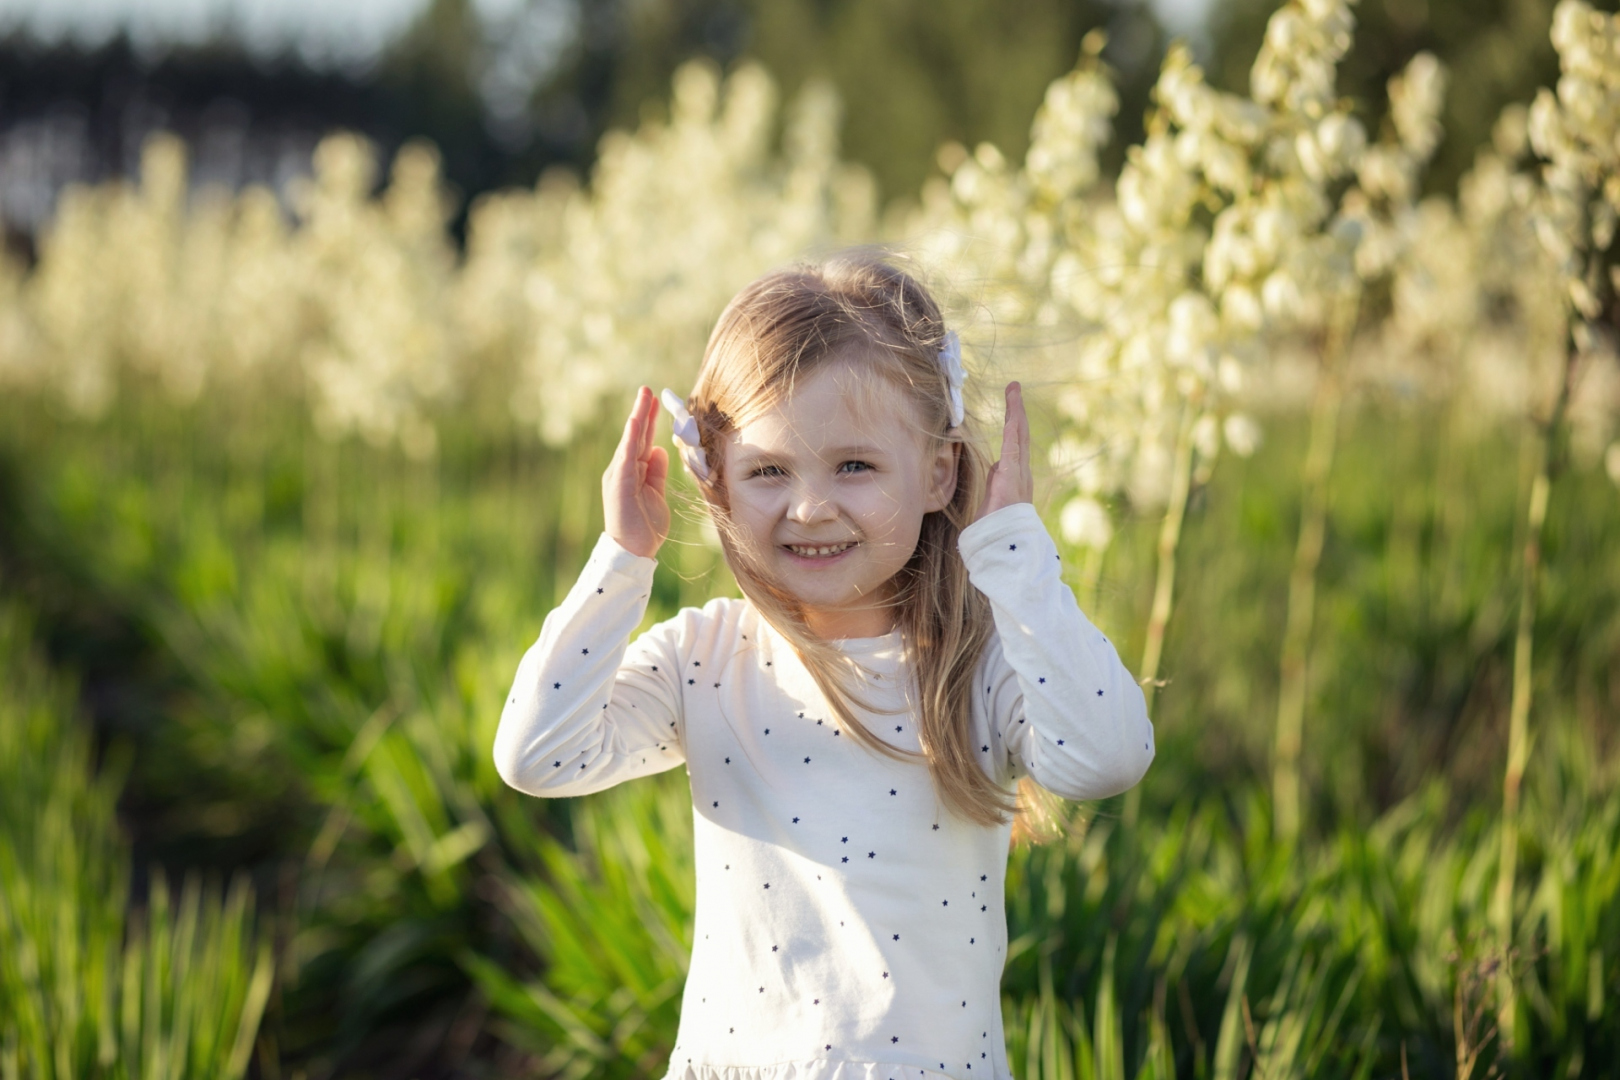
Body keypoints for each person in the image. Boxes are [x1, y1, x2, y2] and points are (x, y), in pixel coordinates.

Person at [492, 249, 1154, 1078]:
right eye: (768, 470)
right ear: (718, 484)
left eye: (855, 465)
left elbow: (1110, 756)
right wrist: (623, 557)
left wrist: (1015, 555)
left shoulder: (975, 669)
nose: (810, 506)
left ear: (939, 473)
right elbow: (538, 754)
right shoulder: (705, 658)